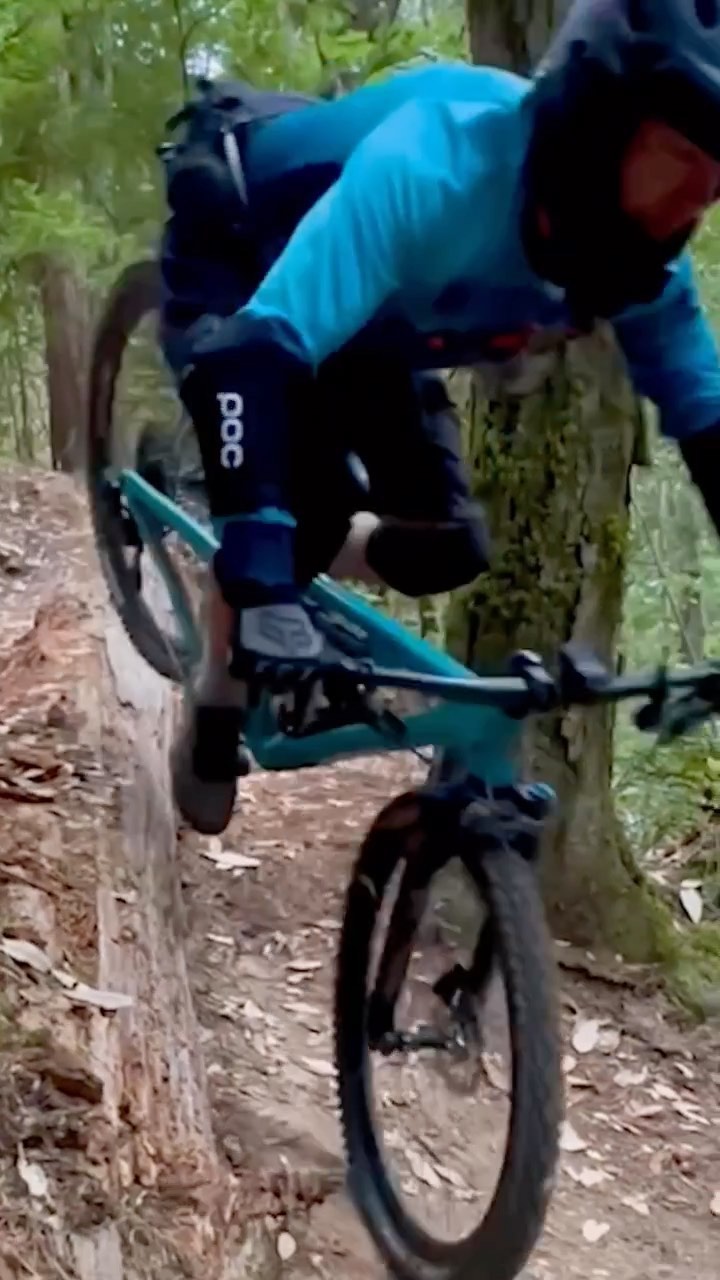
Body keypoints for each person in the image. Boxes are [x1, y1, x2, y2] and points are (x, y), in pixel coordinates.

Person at [158, 0, 720, 836]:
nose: (688, 210)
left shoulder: (641, 269)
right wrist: (263, 569)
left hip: (375, 319)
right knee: (282, 533)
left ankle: (299, 545)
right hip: (245, 257)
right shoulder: (436, 167)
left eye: (711, 187)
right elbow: (251, 359)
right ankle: (214, 696)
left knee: (450, 547)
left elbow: (707, 419)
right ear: (598, 125)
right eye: (676, 166)